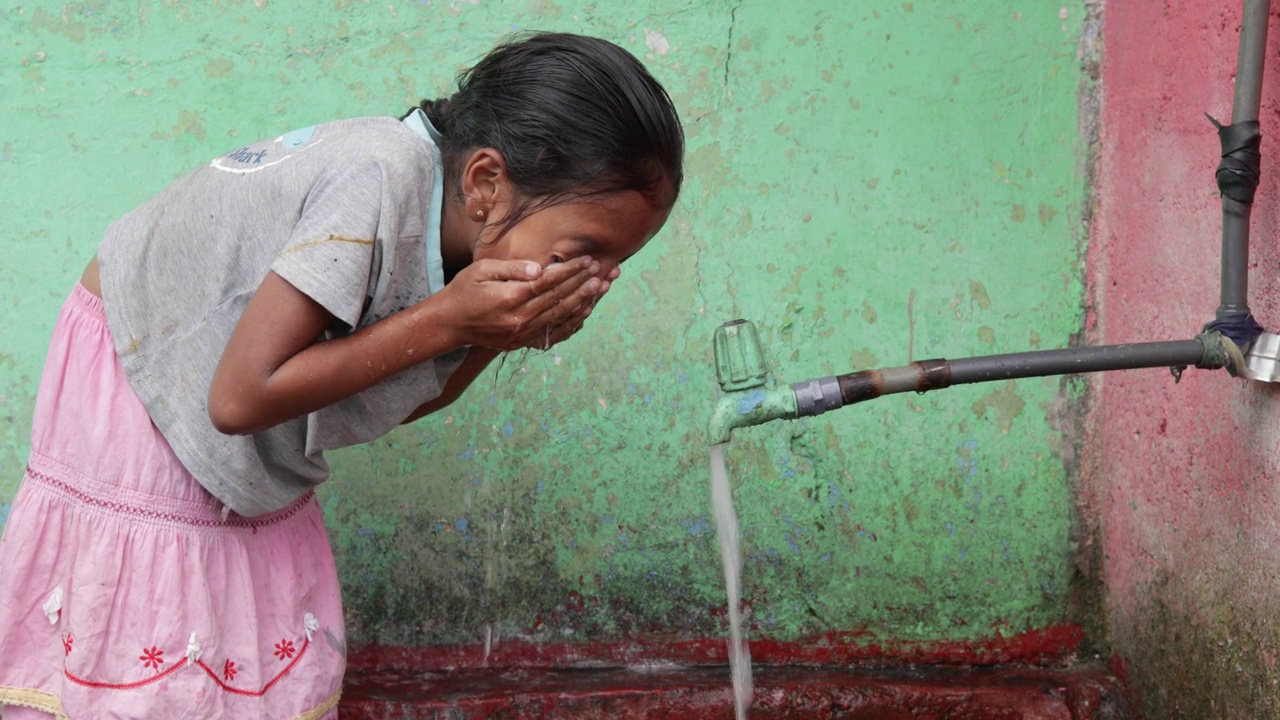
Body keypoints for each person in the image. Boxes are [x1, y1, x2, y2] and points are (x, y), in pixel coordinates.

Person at [0, 31, 684, 719]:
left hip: (222, 376)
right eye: (584, 250)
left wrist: (495, 337)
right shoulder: (378, 176)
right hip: (141, 364)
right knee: (157, 631)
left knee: (231, 631)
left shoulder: (460, 244)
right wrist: (452, 321)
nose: (598, 276)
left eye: (615, 262)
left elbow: (400, 395)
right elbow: (240, 398)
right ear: (484, 182)